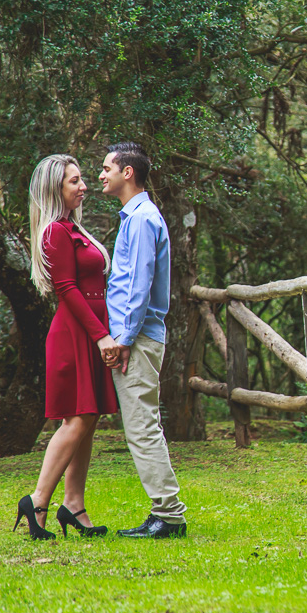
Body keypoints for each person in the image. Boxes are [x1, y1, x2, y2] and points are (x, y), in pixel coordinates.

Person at [15, 155, 119, 540]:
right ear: (55, 189)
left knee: (88, 418)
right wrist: (101, 335)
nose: (84, 186)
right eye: (74, 181)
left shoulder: (72, 228)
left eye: (83, 179)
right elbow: (67, 289)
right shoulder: (55, 232)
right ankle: (38, 501)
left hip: (88, 330)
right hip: (75, 333)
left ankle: (74, 505)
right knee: (77, 419)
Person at [99, 142, 188, 538]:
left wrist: (123, 338)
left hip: (137, 338)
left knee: (143, 427)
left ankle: (169, 516)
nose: (100, 175)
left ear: (127, 172)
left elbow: (138, 283)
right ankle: (166, 513)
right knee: (143, 425)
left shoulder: (140, 219)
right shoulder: (137, 216)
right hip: (138, 335)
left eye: (106, 168)